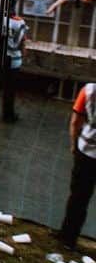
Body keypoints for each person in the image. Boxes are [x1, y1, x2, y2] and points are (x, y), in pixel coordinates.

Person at [58, 81, 96, 250]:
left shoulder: (89, 91)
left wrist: (74, 144)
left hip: (87, 152)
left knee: (78, 197)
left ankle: (68, 236)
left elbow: (75, 121)